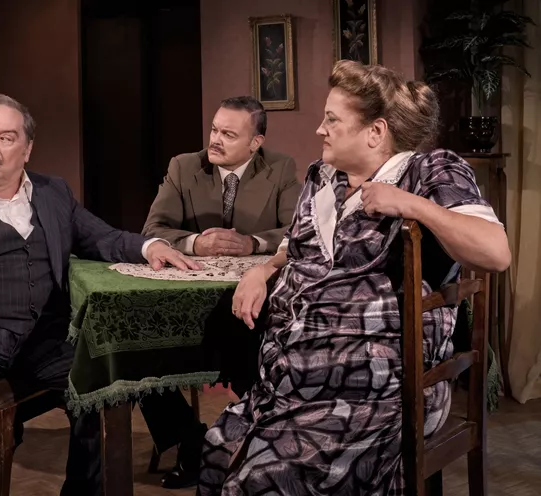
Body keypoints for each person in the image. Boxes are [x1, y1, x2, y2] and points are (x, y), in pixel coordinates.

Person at [197, 60, 511, 495]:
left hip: (377, 392)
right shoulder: (321, 177)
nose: (319, 130)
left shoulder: (429, 170)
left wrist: (409, 204)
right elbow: (296, 245)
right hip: (291, 386)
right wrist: (264, 269)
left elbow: (495, 252)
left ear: (376, 132)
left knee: (262, 480)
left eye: (332, 120)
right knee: (216, 452)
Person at [0, 93, 199, 496]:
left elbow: (101, 237)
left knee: (107, 388)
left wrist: (149, 246)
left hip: (47, 339)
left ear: (27, 149)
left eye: (5, 138)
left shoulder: (53, 193)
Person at [139, 96, 300, 489]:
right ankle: (189, 440)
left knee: (254, 352)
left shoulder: (280, 168)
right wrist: (195, 242)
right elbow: (153, 229)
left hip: (249, 305)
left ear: (255, 143)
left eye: (229, 134)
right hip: (185, 302)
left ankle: (250, 442)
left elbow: (297, 230)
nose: (215, 140)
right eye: (214, 129)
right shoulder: (183, 166)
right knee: (137, 356)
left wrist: (253, 243)